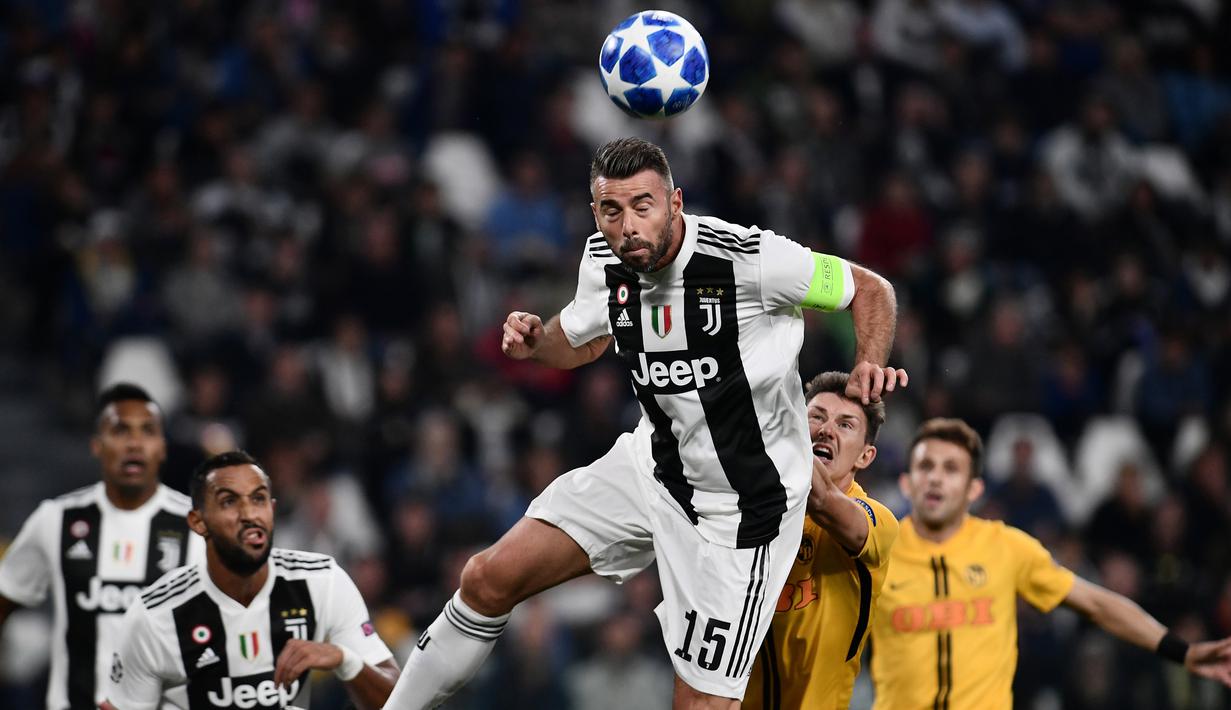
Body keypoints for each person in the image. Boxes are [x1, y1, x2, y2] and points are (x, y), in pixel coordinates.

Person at [385, 137, 906, 709]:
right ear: (595, 213)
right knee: (486, 578)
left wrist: (867, 365)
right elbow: (580, 343)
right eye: (612, 210)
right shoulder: (604, 262)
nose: (628, 225)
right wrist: (538, 344)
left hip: (744, 512)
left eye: (643, 206)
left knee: (701, 704)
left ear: (675, 203)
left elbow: (870, 289)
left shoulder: (750, 260)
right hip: (652, 467)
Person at [870, 418, 1231, 708]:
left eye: (951, 469)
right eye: (925, 466)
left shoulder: (1005, 546)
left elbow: (1097, 604)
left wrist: (1181, 650)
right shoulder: (877, 549)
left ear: (974, 490)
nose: (935, 477)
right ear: (906, 483)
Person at [102, 450, 399, 710]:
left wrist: (345, 660)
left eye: (258, 499)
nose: (248, 514)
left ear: (272, 510)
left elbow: (400, 701)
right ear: (198, 522)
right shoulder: (154, 617)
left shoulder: (322, 582)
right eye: (229, 501)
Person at [0, 383, 204, 710]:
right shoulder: (56, 520)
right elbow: (6, 595)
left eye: (147, 431)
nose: (134, 443)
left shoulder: (196, 529)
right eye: (121, 430)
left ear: (162, 447)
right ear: (97, 445)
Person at [744, 371, 900, 709]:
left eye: (845, 425)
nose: (826, 429)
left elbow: (824, 502)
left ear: (865, 456)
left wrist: (785, 430)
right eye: (816, 416)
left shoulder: (877, 519)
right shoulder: (749, 509)